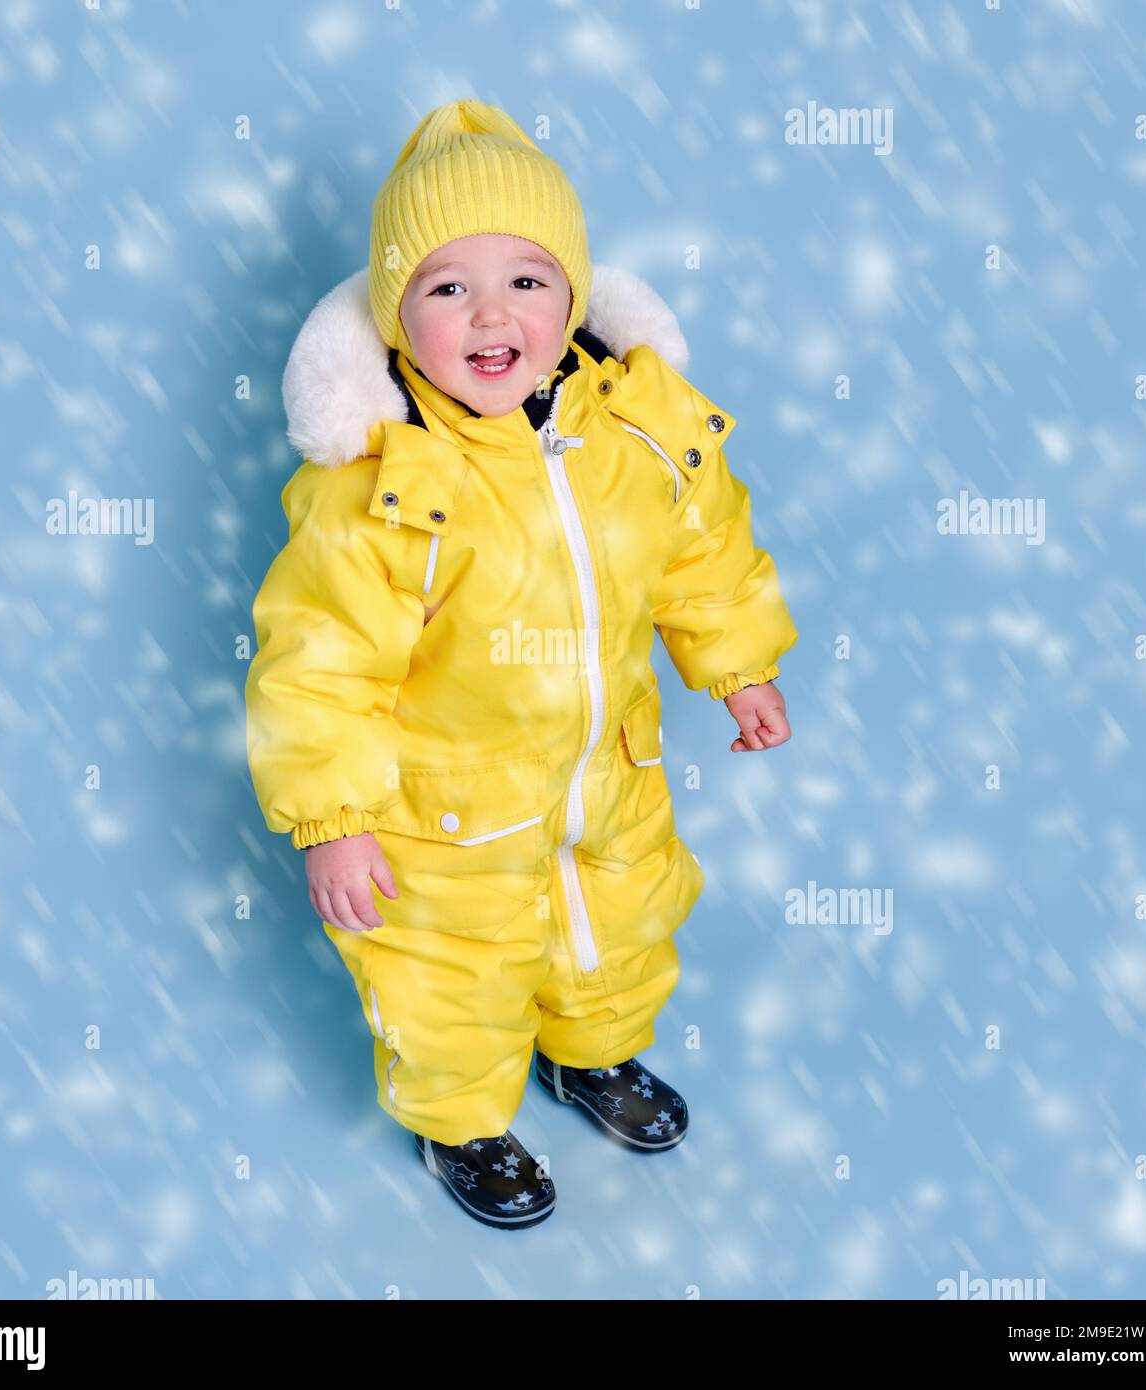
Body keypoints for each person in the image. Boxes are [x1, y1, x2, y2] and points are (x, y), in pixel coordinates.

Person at [246, 99, 799, 1229]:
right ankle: (460, 1121)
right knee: (450, 976)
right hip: (442, 811)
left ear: (575, 298)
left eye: (528, 281)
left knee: (620, 923)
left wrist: (737, 661)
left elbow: (702, 547)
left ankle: (591, 1054)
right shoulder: (385, 485)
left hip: (608, 773)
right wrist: (334, 814)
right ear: (397, 318)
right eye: (447, 287)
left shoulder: (638, 429)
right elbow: (320, 661)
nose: (490, 313)